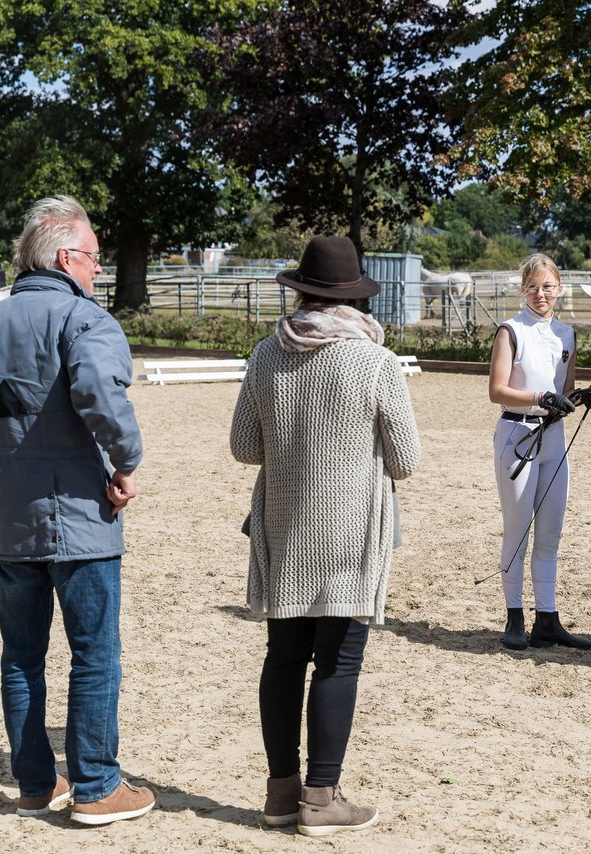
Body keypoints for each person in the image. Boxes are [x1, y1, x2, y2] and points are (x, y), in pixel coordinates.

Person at [0, 195, 156, 825]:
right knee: (95, 653)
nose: (100, 271)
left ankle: (33, 784)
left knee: (21, 655)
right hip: (81, 515)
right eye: (95, 258)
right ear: (66, 255)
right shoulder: (86, 320)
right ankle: (98, 785)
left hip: (12, 519)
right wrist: (127, 462)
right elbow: (101, 396)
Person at [230, 234, 421, 837]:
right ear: (353, 298)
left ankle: (281, 792)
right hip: (349, 528)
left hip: (285, 525)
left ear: (302, 292)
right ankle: (322, 797)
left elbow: (243, 447)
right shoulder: (374, 362)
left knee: (283, 659)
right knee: (339, 663)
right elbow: (406, 459)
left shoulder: (266, 354)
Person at [487, 253, 591, 651]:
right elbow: (497, 391)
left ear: (559, 290)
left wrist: (584, 396)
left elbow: (564, 392)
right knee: (518, 532)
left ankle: (548, 620)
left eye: (548, 287)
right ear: (524, 289)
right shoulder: (510, 330)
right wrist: (539, 397)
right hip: (517, 435)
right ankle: (514, 618)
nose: (541, 294)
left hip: (553, 440)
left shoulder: (566, 335)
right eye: (534, 287)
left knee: (550, 535)